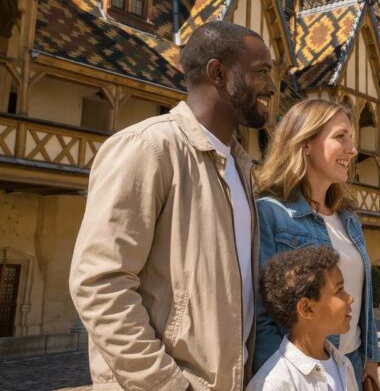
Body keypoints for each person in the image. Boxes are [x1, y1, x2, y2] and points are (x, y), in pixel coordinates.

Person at [69, 21, 275, 390]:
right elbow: (100, 285)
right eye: (261, 72)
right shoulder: (148, 148)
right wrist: (169, 385)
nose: (272, 86)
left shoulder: (240, 168)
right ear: (219, 73)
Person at [254, 98, 380, 388]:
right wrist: (275, 378)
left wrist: (371, 359)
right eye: (341, 137)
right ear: (306, 143)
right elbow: (262, 315)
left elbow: (364, 299)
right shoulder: (271, 214)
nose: (353, 149)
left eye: (352, 138)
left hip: (352, 366)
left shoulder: (349, 219)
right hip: (303, 374)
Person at [248, 246, 356, 391]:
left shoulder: (343, 365)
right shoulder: (273, 384)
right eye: (339, 290)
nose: (350, 298)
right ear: (307, 308)